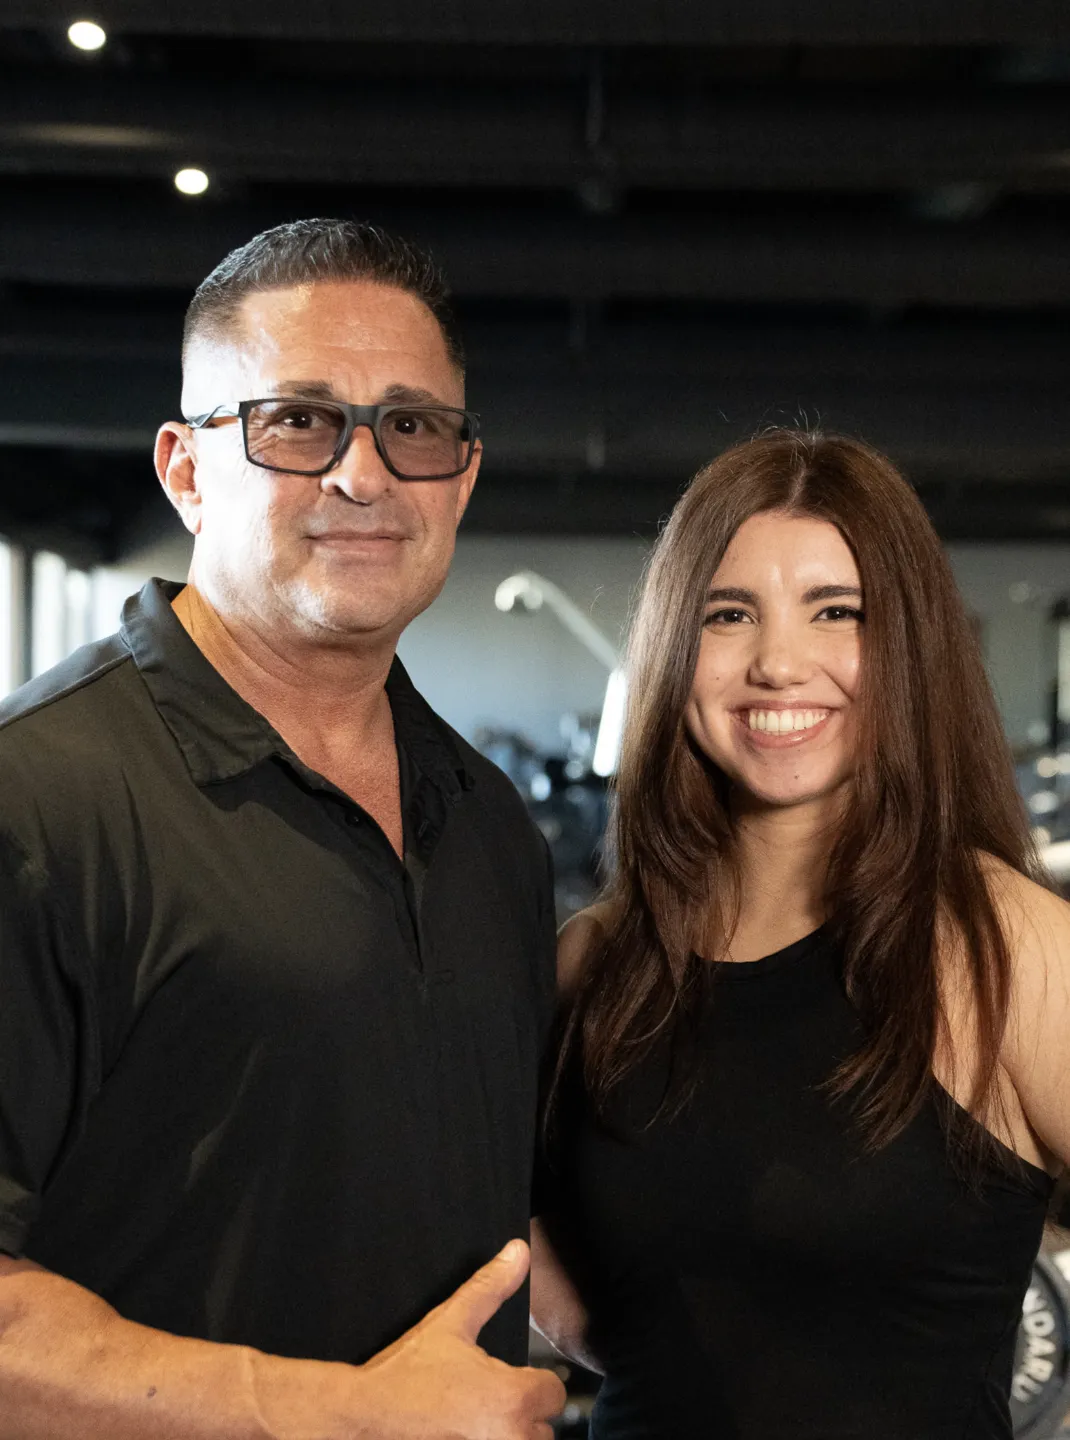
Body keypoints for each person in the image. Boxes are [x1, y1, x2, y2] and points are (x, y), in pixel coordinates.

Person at [0, 219, 565, 1439]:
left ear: (461, 477)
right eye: (297, 421)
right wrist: (340, 1415)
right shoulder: (36, 801)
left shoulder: (490, 827)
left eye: (412, 425)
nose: (363, 475)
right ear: (185, 470)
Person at [529, 429, 1070, 1439]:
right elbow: (537, 1259)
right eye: (727, 615)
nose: (778, 663)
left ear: (907, 647)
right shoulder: (596, 966)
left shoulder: (1004, 951)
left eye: (836, 613)